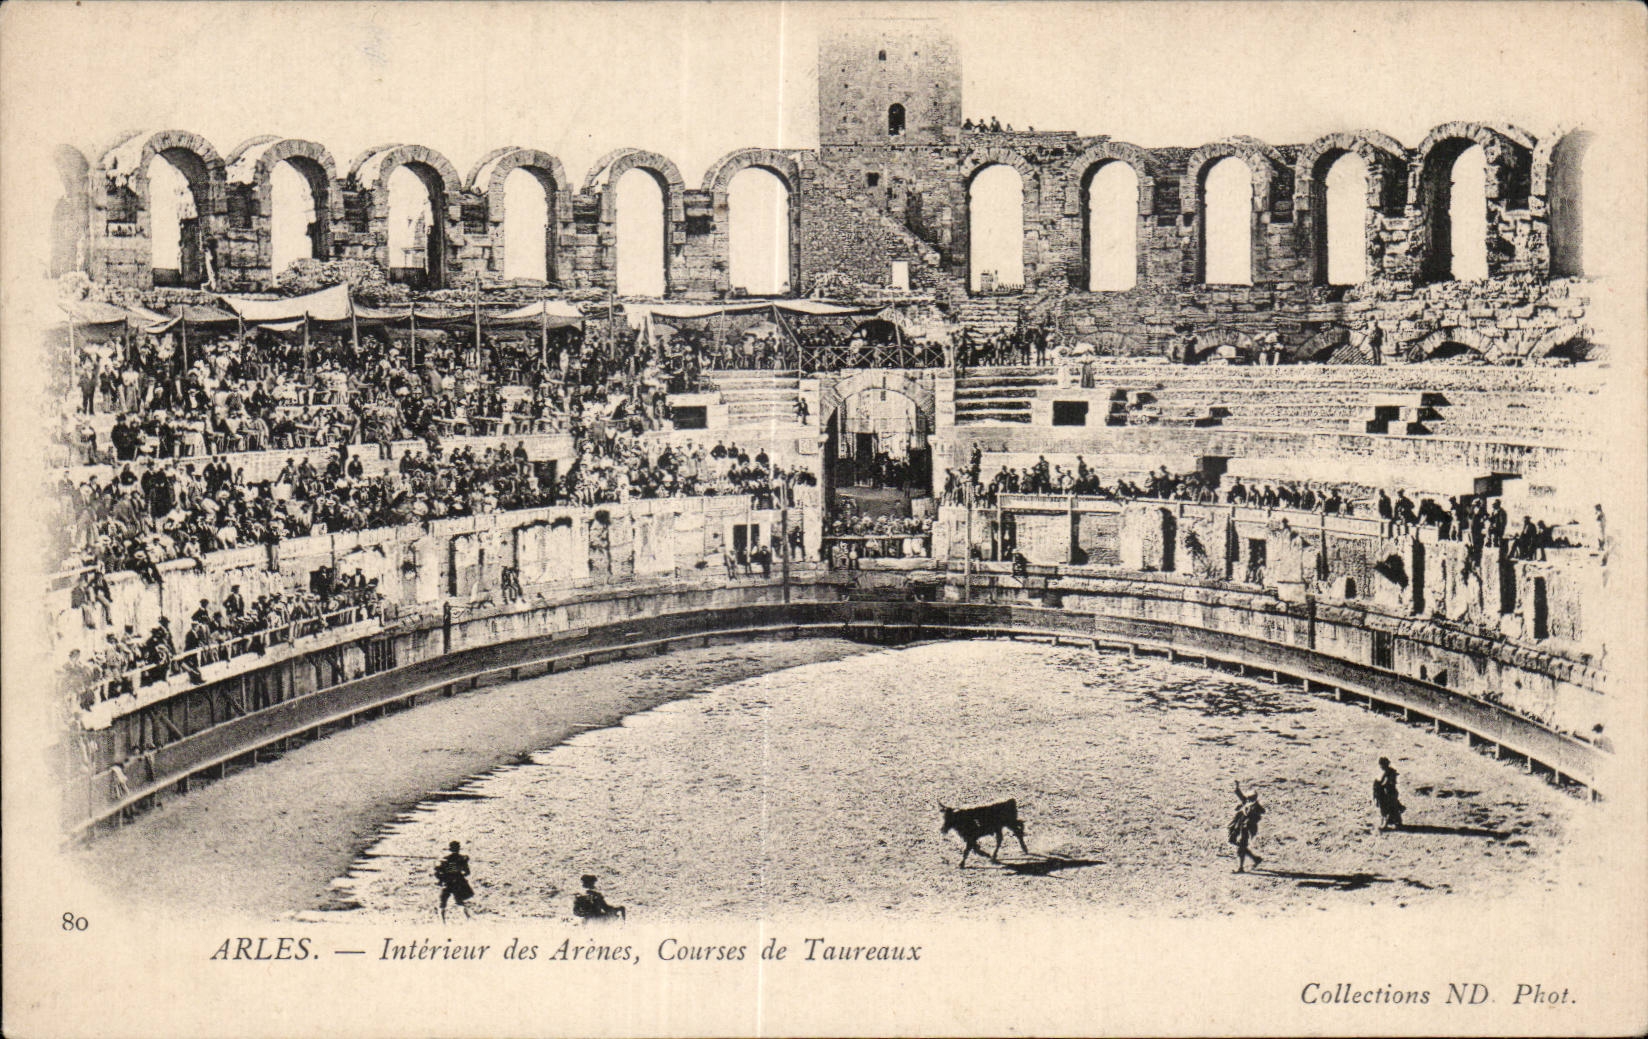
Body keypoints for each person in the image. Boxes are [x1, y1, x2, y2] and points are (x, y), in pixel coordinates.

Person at [1227, 780, 1265, 873]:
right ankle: (1255, 858)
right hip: (1239, 826)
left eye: (1251, 798)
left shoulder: (1256, 807)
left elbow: (1260, 813)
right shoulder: (1247, 802)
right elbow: (1241, 796)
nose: (1248, 799)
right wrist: (1237, 787)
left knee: (1241, 848)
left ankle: (1241, 868)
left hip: (1246, 829)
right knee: (1232, 841)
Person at [435, 840, 474, 922]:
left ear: (450, 849)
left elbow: (438, 871)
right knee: (459, 901)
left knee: (443, 902)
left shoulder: (446, 859)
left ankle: (443, 923)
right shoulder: (462, 859)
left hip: (448, 883)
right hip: (457, 883)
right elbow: (467, 872)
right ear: (458, 849)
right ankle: (468, 919)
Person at [1373, 757, 1405, 831]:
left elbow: (1387, 783)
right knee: (1392, 808)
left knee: (1388, 809)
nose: (1381, 766)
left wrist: (1380, 784)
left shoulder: (1389, 773)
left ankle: (1386, 824)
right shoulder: (1386, 772)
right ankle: (1397, 823)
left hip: (1389, 793)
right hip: (1386, 793)